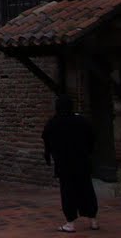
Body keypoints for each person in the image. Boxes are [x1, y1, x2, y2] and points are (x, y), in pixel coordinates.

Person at [43, 94, 99, 233]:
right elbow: (92, 138)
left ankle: (70, 223)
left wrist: (50, 156)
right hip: (82, 162)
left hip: (64, 164)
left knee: (68, 192)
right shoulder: (81, 121)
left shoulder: (53, 123)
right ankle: (93, 220)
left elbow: (47, 141)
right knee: (87, 189)